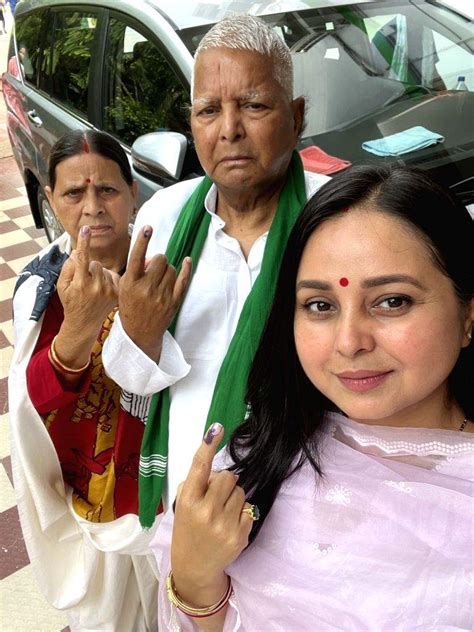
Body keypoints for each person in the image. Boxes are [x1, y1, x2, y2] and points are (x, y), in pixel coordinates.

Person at [153, 165, 474, 630]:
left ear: (467, 315)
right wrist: (195, 576)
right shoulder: (256, 464)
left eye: (391, 301)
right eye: (320, 306)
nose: (349, 342)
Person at [102, 14, 329, 528]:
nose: (229, 129)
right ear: (192, 124)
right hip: (186, 501)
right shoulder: (163, 221)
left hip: (310, 513)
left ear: (296, 117)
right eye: (209, 110)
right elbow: (133, 389)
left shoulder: (336, 221)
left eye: (253, 105)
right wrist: (137, 332)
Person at [8, 130, 165, 631]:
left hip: (162, 492)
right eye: (74, 193)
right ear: (51, 200)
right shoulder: (39, 285)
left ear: (133, 193)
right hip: (90, 496)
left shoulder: (167, 267)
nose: (93, 207)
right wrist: (78, 325)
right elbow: (34, 405)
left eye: (109, 191)